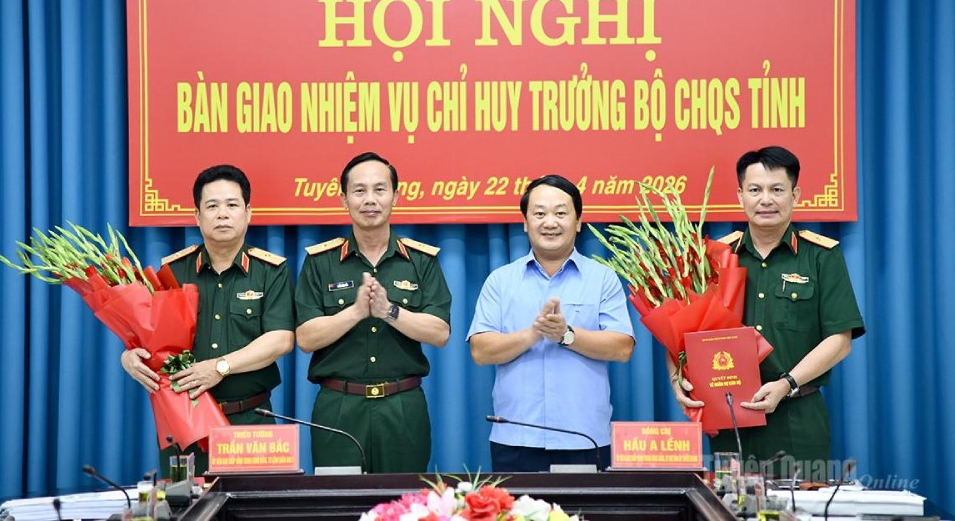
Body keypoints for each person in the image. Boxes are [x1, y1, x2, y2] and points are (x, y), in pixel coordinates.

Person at [669, 146, 865, 479]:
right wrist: (678, 380)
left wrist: (785, 384)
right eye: (755, 190)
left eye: (777, 189)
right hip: (731, 420)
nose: (766, 199)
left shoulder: (821, 257)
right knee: (730, 511)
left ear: (795, 194)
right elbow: (679, 332)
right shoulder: (715, 257)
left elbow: (840, 340)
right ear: (740, 196)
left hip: (798, 417)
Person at [120, 164, 295, 474]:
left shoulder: (271, 271)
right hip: (185, 419)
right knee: (186, 510)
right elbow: (148, 339)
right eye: (211, 206)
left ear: (248, 212)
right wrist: (129, 356)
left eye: (232, 205)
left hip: (250, 420)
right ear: (198, 216)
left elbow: (280, 339)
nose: (222, 214)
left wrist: (219, 367)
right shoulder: (172, 272)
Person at [294, 152, 451, 473]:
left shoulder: (421, 261)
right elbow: (306, 338)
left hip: (402, 407)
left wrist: (389, 311)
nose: (370, 200)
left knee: (404, 505)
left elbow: (440, 333)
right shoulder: (320, 262)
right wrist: (355, 312)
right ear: (344, 199)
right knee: (336, 505)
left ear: (395, 195)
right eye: (359, 190)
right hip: (338, 407)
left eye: (380, 190)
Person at [467, 174, 635, 472]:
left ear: (578, 221)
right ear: (525, 222)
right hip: (516, 438)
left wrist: (566, 335)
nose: (550, 222)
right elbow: (481, 351)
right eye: (540, 213)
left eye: (561, 213)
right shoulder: (501, 281)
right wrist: (533, 334)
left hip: (583, 440)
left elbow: (622, 347)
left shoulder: (602, 279)